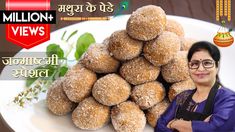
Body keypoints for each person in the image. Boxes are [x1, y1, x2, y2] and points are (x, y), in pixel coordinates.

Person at [155, 41, 235, 132]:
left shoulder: (229, 98)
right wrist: (200, 126)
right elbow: (160, 126)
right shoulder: (182, 96)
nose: (200, 68)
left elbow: (217, 128)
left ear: (217, 66)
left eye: (207, 63)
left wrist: (176, 124)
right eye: (194, 63)